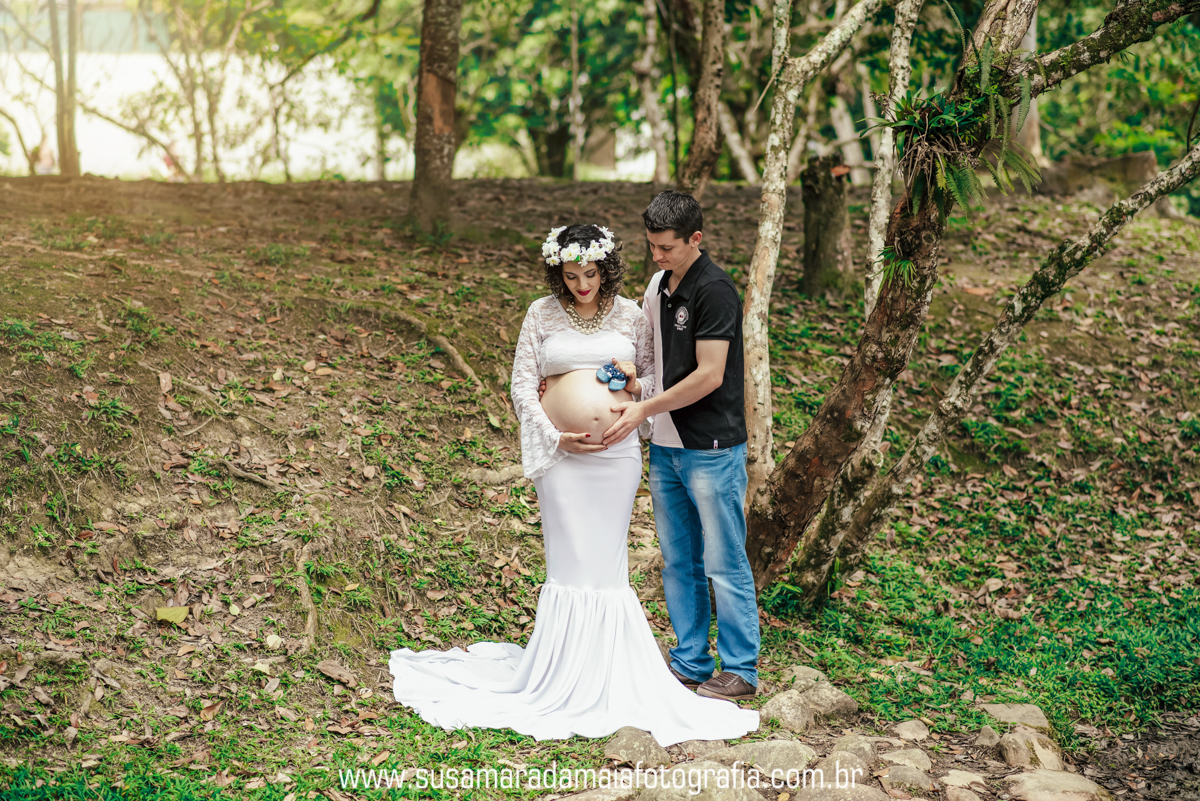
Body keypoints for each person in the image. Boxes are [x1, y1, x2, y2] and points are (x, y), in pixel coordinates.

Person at [387, 224, 758, 746]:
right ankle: (560, 669)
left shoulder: (632, 313)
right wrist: (554, 434)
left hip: (617, 458)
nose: (582, 285)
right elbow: (522, 384)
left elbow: (654, 381)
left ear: (606, 269)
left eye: (590, 274)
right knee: (569, 562)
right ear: (556, 273)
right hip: (561, 460)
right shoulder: (540, 313)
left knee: (605, 564)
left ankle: (612, 669)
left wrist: (633, 385)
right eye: (571, 276)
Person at [602, 191, 761, 703]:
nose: (657, 256)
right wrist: (631, 381)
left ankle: (741, 670)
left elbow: (710, 375)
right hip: (666, 446)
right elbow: (653, 357)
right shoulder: (658, 284)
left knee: (723, 561)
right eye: (651, 246)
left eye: (666, 247)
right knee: (678, 561)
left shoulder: (716, 290)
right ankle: (691, 662)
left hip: (711, 448)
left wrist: (643, 408)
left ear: (695, 239)